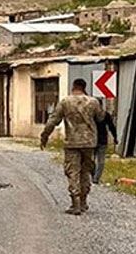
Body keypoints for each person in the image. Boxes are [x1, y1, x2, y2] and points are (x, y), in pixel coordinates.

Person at [40, 77, 100, 215]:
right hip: (89, 142)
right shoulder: (93, 102)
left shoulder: (65, 102)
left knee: (73, 171)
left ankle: (75, 203)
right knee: (86, 171)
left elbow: (53, 120)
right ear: (84, 88)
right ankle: (84, 202)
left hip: (72, 142)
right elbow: (101, 117)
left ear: (73, 87)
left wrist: (45, 136)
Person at [93, 97, 118, 189]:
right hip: (102, 140)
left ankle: (93, 177)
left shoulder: (90, 115)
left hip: (92, 140)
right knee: (101, 161)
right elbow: (111, 127)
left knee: (91, 160)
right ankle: (96, 178)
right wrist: (115, 137)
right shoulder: (105, 114)